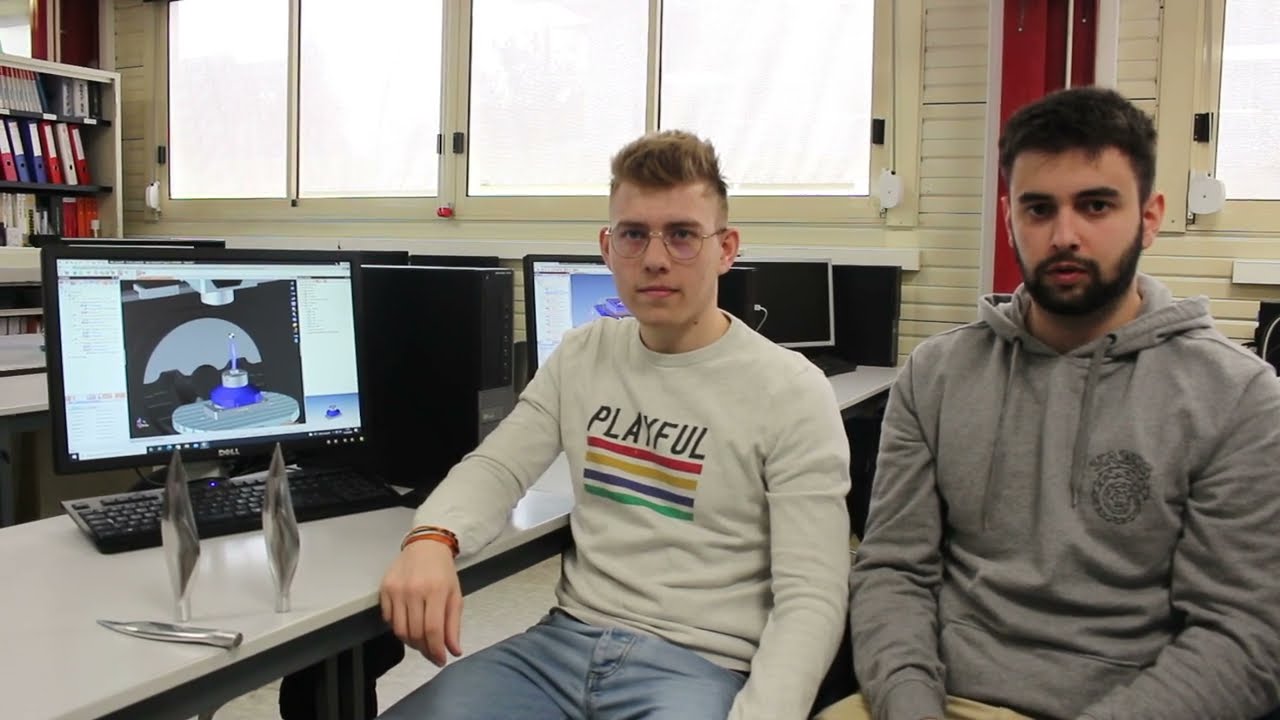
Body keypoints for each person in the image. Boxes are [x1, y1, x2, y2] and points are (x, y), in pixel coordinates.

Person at [822, 86, 1280, 720]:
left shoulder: (1236, 397)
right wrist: (909, 703)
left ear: (1150, 216)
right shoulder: (937, 373)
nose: (1064, 235)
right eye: (1039, 209)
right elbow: (893, 572)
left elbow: (1241, 637)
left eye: (1096, 205)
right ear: (1010, 217)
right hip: (938, 697)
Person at [377, 129, 852, 720]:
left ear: (726, 249)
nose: (654, 258)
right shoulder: (583, 355)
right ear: (608, 247)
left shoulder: (790, 389)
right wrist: (432, 538)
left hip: (702, 664)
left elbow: (813, 594)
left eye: (682, 235)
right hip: (562, 646)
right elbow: (499, 466)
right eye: (634, 234)